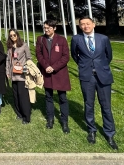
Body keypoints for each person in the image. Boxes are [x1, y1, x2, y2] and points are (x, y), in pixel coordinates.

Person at [71, 16, 118, 150]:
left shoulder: (103, 38)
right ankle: (91, 130)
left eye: (88, 24)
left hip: (103, 76)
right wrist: (85, 66)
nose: (85, 26)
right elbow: (75, 55)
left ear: (93, 24)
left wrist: (100, 67)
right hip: (87, 76)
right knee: (88, 104)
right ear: (80, 26)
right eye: (82, 24)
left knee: (106, 105)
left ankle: (109, 133)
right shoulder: (76, 39)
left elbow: (109, 55)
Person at [35, 19, 71, 133]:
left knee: (62, 98)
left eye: (49, 28)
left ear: (54, 28)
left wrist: (54, 67)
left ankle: (64, 121)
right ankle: (50, 119)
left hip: (59, 73)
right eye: (45, 28)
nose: (46, 30)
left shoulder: (62, 40)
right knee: (48, 96)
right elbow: (39, 55)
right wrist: (46, 66)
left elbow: (66, 57)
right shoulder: (40, 39)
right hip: (46, 72)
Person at [5, 28, 32, 124]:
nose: (12, 37)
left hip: (22, 75)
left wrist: (25, 70)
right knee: (16, 96)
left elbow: (29, 59)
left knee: (23, 96)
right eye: (11, 35)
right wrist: (7, 71)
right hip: (13, 75)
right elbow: (8, 60)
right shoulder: (10, 47)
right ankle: (19, 113)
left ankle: (26, 116)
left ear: (17, 35)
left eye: (14, 35)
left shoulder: (24, 45)